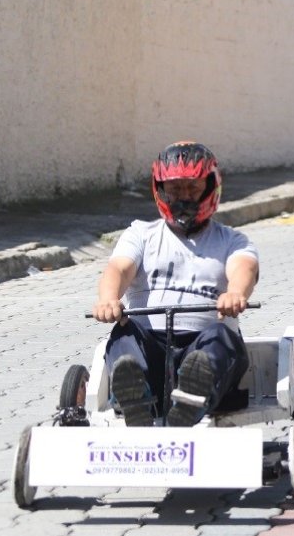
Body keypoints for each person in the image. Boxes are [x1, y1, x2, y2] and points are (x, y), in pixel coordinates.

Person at [92, 142, 259, 427]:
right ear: (160, 190)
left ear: (210, 187)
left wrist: (235, 293)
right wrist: (109, 299)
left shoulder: (232, 240)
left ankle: (193, 397)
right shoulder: (140, 234)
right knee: (124, 334)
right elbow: (119, 268)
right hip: (150, 341)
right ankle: (136, 397)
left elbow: (245, 267)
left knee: (221, 340)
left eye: (192, 189)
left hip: (203, 339)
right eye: (175, 189)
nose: (183, 197)